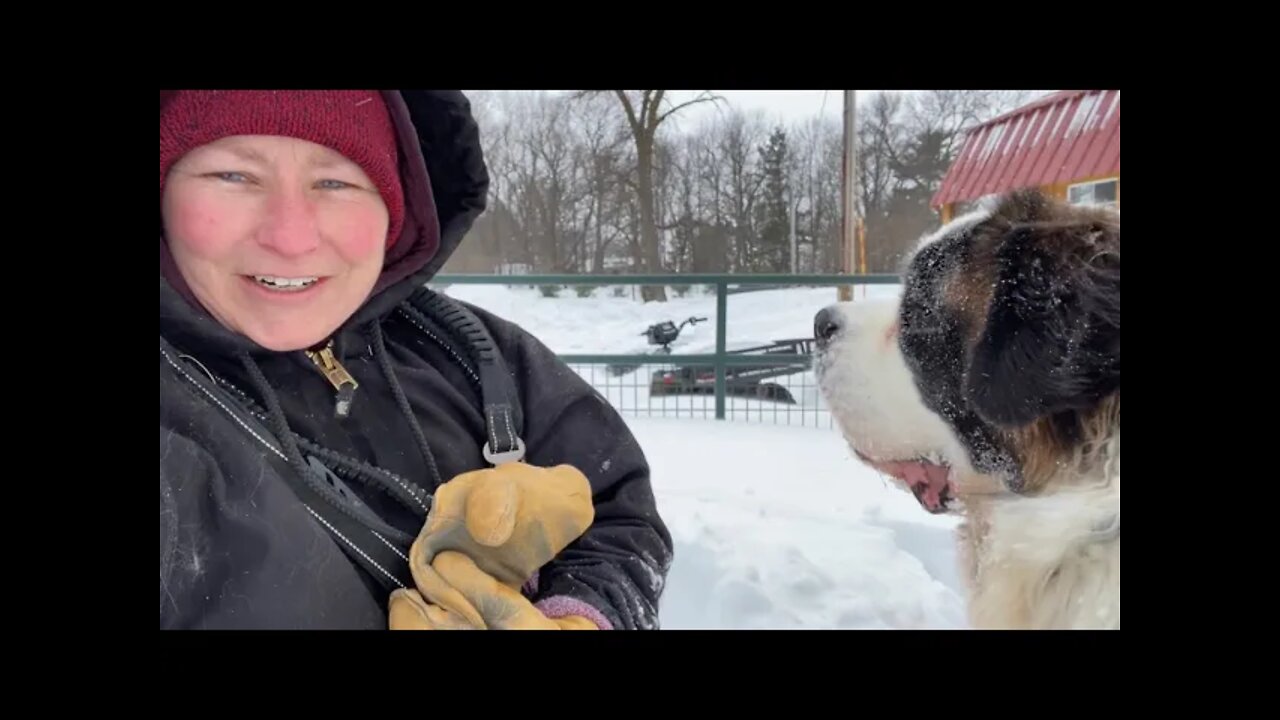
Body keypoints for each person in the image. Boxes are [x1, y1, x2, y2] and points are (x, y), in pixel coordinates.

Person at [159, 90, 673, 630]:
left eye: (335, 182)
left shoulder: (473, 349)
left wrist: (583, 615)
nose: (291, 237)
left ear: (394, 208)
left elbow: (618, 514)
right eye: (234, 176)